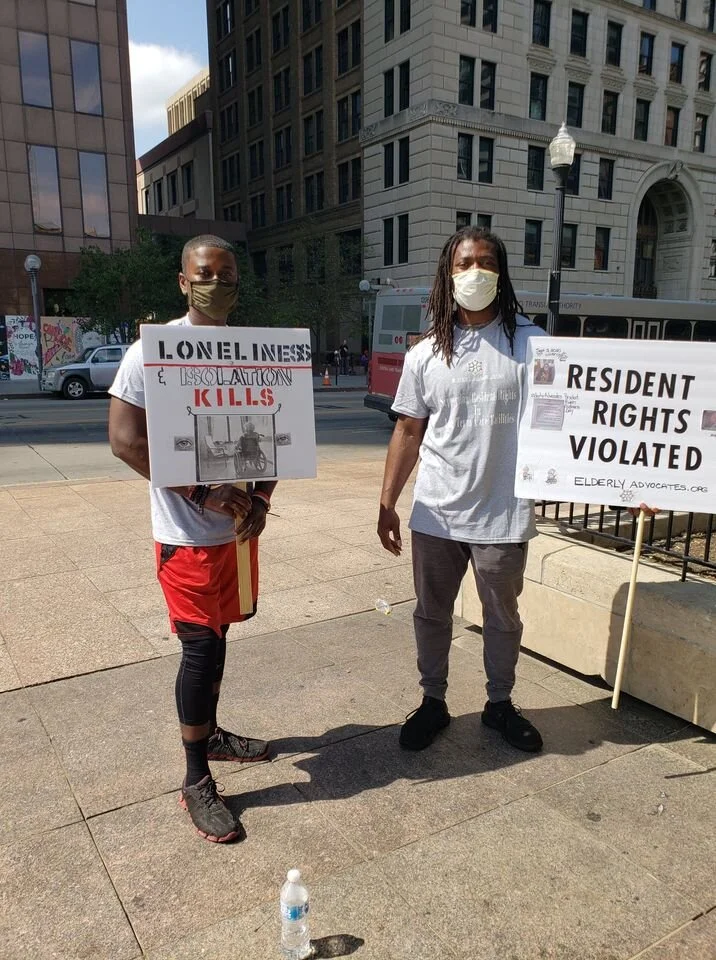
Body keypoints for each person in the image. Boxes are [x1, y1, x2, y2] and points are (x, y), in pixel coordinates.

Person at [108, 235, 276, 843]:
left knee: (221, 635)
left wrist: (261, 498)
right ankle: (195, 776)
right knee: (199, 649)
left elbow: (276, 434)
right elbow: (125, 441)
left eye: (227, 274)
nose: (217, 283)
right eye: (206, 273)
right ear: (184, 281)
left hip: (235, 536)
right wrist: (201, 492)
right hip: (185, 535)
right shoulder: (148, 354)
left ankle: (212, 733)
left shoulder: (254, 353)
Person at [377, 225, 547, 754]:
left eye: (486, 262)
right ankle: (433, 701)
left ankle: (500, 704)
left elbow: (568, 423)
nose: (476, 272)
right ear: (447, 275)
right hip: (437, 513)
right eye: (464, 263)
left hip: (503, 512)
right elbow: (408, 429)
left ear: (502, 272)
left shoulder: (532, 343)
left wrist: (623, 485)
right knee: (431, 614)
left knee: (502, 618)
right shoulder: (426, 352)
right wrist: (387, 502)